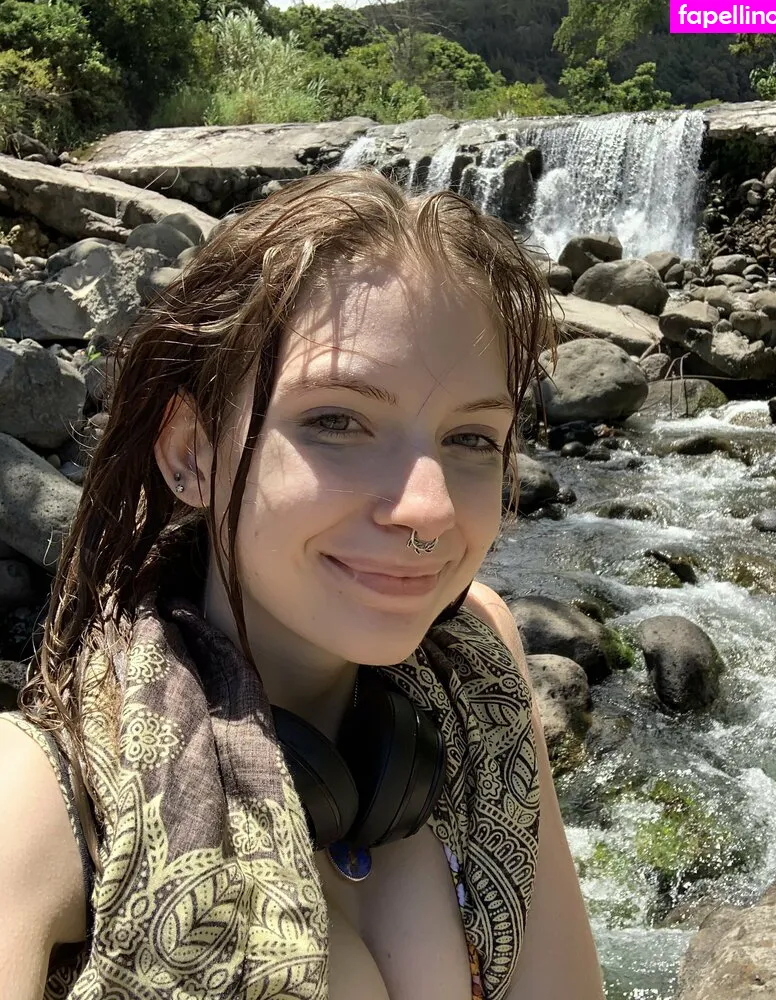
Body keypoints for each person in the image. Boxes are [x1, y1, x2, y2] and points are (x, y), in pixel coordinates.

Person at [0, 170, 605, 1000]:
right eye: (336, 421)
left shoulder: (478, 659)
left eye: (470, 437)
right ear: (190, 454)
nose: (428, 509)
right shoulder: (38, 801)